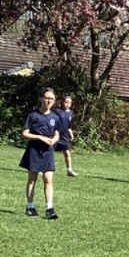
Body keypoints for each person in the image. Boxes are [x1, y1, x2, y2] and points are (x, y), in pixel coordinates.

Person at [20, 88, 61, 219]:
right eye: (46, 98)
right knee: (32, 179)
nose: (49, 101)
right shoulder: (33, 115)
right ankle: (30, 207)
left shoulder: (55, 117)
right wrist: (39, 137)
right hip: (34, 150)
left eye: (51, 99)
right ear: (41, 99)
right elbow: (24, 133)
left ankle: (49, 209)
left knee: (48, 179)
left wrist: (54, 139)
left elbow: (57, 133)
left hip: (48, 151)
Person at [56, 94, 77, 177]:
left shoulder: (71, 113)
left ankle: (69, 170)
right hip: (55, 135)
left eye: (69, 103)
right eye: (66, 102)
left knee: (67, 153)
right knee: (47, 153)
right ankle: (40, 169)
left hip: (64, 137)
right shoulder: (57, 111)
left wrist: (71, 133)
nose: (68, 104)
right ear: (62, 102)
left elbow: (68, 126)